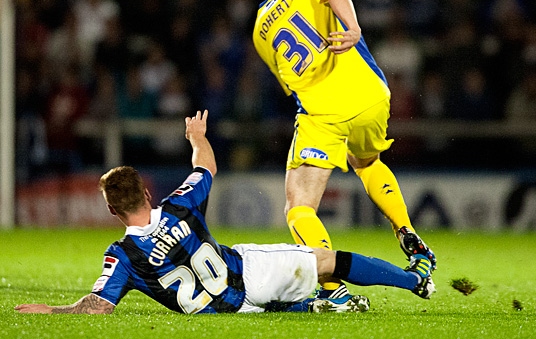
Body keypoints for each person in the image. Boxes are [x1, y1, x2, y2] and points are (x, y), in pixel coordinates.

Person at [14, 110, 435, 315]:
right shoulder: (179, 206)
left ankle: (318, 307)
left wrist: (55, 311)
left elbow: (99, 304)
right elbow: (206, 167)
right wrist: (196, 136)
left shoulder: (122, 256)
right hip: (248, 272)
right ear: (146, 191)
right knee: (328, 261)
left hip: (227, 308)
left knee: (260, 304)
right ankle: (413, 279)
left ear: (111, 210)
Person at [250, 0, 436, 300]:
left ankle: (334, 291)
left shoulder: (260, 30)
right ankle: (407, 232)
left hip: (324, 112)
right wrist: (352, 29)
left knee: (300, 206)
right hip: (370, 93)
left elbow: (290, 84)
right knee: (368, 163)